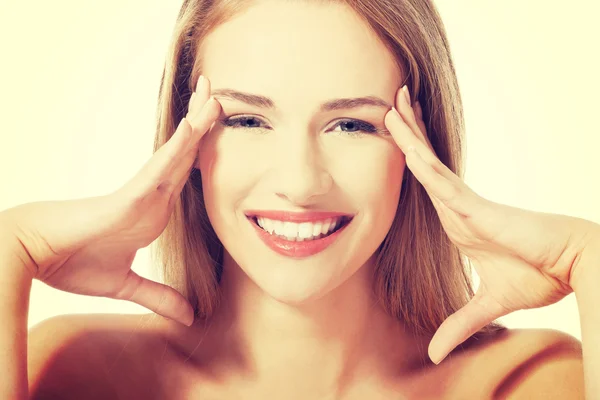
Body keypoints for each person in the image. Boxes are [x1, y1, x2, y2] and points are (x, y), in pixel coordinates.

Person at [1, 0, 597, 398]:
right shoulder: (76, 373)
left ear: (421, 147)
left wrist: (589, 255)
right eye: (247, 120)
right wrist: (10, 247)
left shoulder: (527, 384)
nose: (301, 181)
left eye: (352, 126)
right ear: (185, 141)